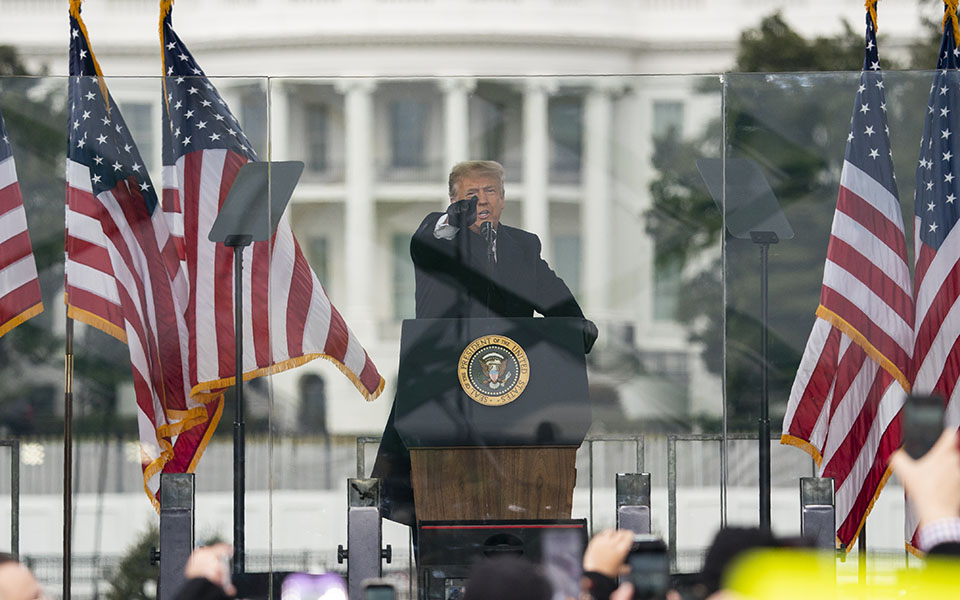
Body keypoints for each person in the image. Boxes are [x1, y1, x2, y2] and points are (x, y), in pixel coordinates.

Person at [372, 160, 598, 527]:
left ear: (504, 199)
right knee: (438, 506)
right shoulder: (436, 235)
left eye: (490, 191)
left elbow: (554, 299)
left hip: (513, 395)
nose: (482, 200)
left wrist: (576, 328)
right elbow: (432, 237)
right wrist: (453, 219)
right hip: (443, 394)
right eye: (471, 193)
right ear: (453, 199)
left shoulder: (523, 247)